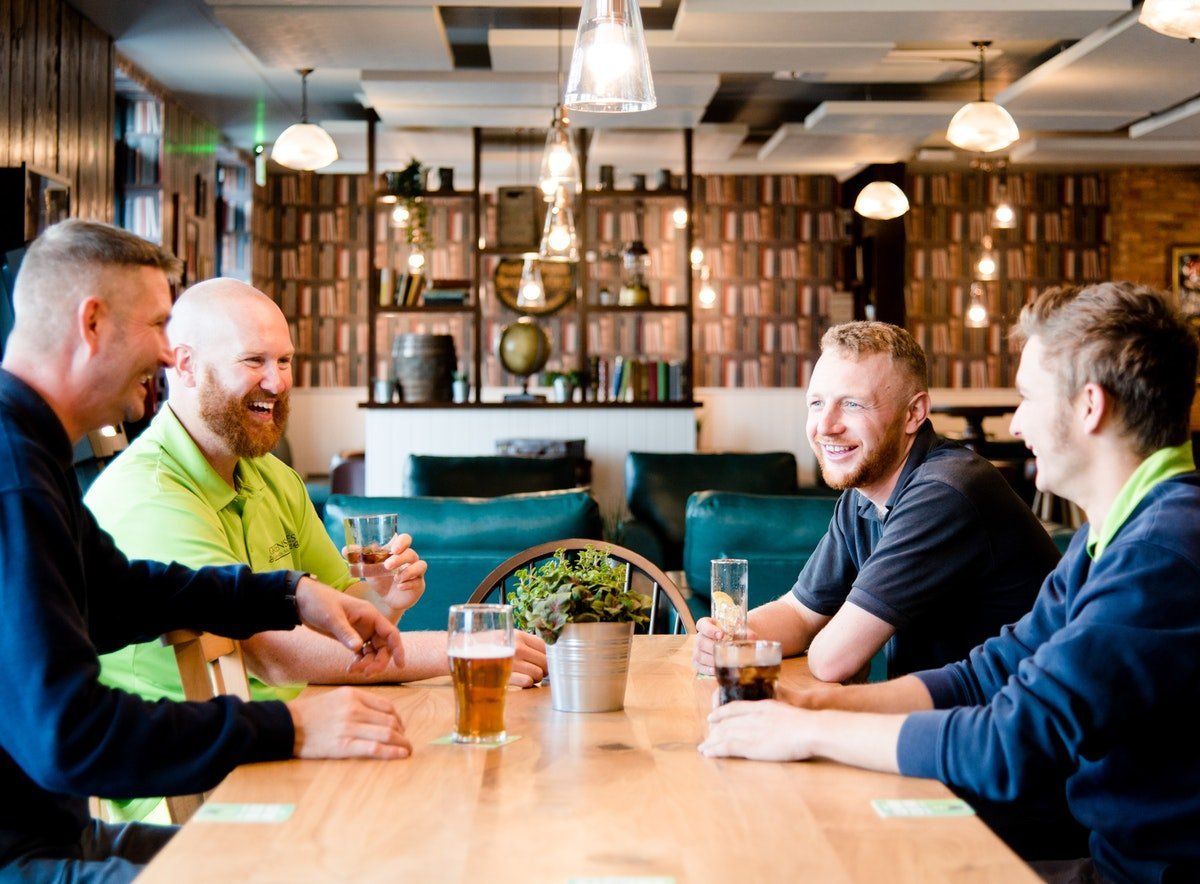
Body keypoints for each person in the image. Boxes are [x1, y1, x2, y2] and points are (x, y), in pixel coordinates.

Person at [700, 283, 1200, 883]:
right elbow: (988, 672)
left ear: (1089, 406)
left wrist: (808, 728)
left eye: (1026, 398)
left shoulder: (1162, 551)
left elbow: (1009, 740)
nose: (1015, 424)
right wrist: (817, 703)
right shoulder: (1116, 535)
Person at [0, 220, 413, 882]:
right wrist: (289, 730)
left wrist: (288, 594)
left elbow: (122, 592)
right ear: (93, 324)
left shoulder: (28, 449)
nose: (171, 356)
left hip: (58, 834)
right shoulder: (14, 474)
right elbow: (70, 738)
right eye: (159, 326)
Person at [693, 321, 1059, 682]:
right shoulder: (861, 497)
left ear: (914, 414)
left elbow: (833, 660)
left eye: (852, 404)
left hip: (1016, 726)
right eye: (817, 403)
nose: (826, 425)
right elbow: (800, 613)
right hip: (944, 717)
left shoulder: (946, 491)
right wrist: (733, 637)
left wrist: (824, 642)